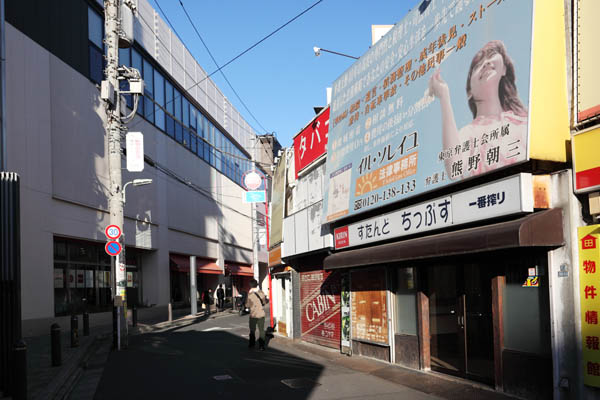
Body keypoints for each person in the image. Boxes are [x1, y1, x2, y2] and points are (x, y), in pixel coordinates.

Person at [428, 40, 528, 179]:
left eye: (491, 55)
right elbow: (454, 168)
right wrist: (444, 96)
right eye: (477, 66)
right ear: (469, 91)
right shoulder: (470, 133)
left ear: (504, 69)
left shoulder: (524, 120)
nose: (486, 63)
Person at [245, 279, 268, 350]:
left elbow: (247, 305)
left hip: (253, 315)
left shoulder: (249, 295)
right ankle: (262, 346)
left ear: (250, 286)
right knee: (261, 330)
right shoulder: (261, 293)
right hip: (261, 314)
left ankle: (252, 344)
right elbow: (264, 302)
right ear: (257, 285)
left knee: (252, 330)